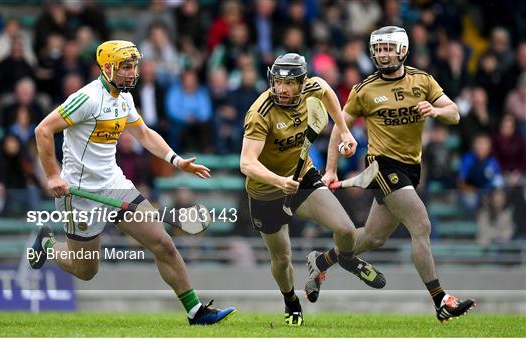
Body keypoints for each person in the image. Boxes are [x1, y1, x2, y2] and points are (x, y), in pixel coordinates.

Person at [29, 40, 235, 325]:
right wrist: (53, 175)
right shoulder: (87, 98)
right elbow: (43, 129)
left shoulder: (123, 98)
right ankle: (48, 245)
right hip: (79, 194)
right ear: (109, 67)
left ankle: (195, 311)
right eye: (126, 66)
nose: (133, 72)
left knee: (163, 243)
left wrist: (176, 160)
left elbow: (145, 134)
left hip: (114, 184)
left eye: (134, 66)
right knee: (86, 270)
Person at [315, 26, 476, 322]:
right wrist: (330, 170)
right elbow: (340, 128)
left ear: (402, 50)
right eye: (378, 49)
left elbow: (454, 112)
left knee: (374, 238)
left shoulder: (422, 80)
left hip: (411, 168)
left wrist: (437, 111)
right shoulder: (364, 89)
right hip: (382, 167)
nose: (382, 54)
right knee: (421, 225)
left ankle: (322, 260)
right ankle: (441, 299)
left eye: (388, 48)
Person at [240, 53, 385, 326]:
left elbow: (329, 93)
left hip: (303, 177)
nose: (281, 89)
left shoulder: (313, 87)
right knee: (282, 259)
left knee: (345, 229)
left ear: (302, 82)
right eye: (277, 82)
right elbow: (246, 163)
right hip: (266, 191)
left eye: (289, 83)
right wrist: (279, 181)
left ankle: (341, 259)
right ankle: (291, 301)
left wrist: (343, 130)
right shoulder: (260, 112)